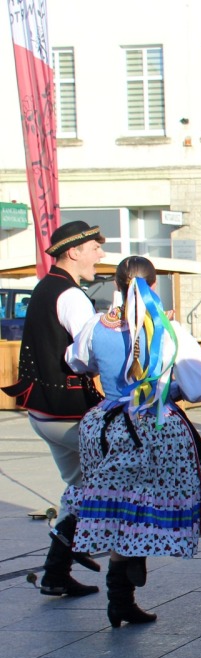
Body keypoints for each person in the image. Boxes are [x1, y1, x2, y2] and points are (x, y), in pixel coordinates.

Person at [66, 257, 201, 628]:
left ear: (116, 285)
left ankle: (121, 595)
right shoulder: (168, 328)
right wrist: (170, 388)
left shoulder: (94, 325)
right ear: (154, 284)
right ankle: (127, 581)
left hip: (106, 426)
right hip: (155, 426)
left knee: (119, 505)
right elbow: (198, 386)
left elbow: (77, 362)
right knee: (145, 501)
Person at [3, 220, 107, 597]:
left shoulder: (46, 287)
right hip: (68, 414)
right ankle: (93, 552)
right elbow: (90, 354)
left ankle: (55, 573)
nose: (100, 254)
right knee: (123, 469)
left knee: (80, 485)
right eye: (94, 248)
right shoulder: (71, 295)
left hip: (43, 412)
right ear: (74, 252)